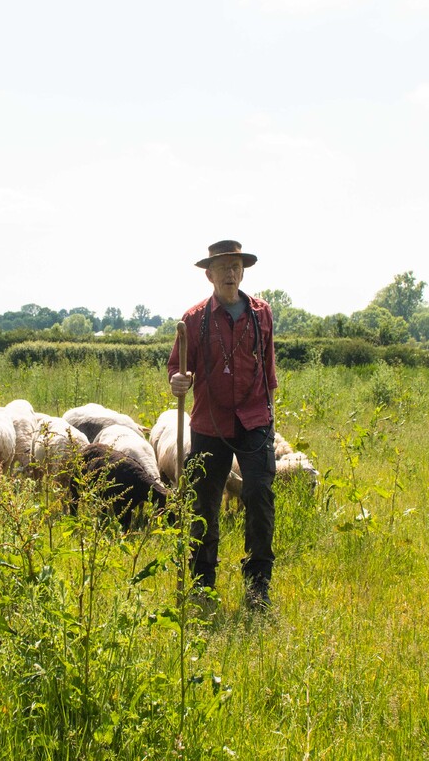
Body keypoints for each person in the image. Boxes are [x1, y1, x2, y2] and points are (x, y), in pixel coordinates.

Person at [168, 239, 278, 610]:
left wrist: (270, 416)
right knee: (204, 504)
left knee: (260, 496)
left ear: (243, 271)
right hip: (209, 423)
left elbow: (269, 369)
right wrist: (178, 381)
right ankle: (202, 584)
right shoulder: (193, 320)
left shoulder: (262, 314)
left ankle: (258, 587)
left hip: (255, 420)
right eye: (224, 267)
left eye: (237, 266)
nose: (231, 273)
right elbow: (177, 369)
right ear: (209, 274)